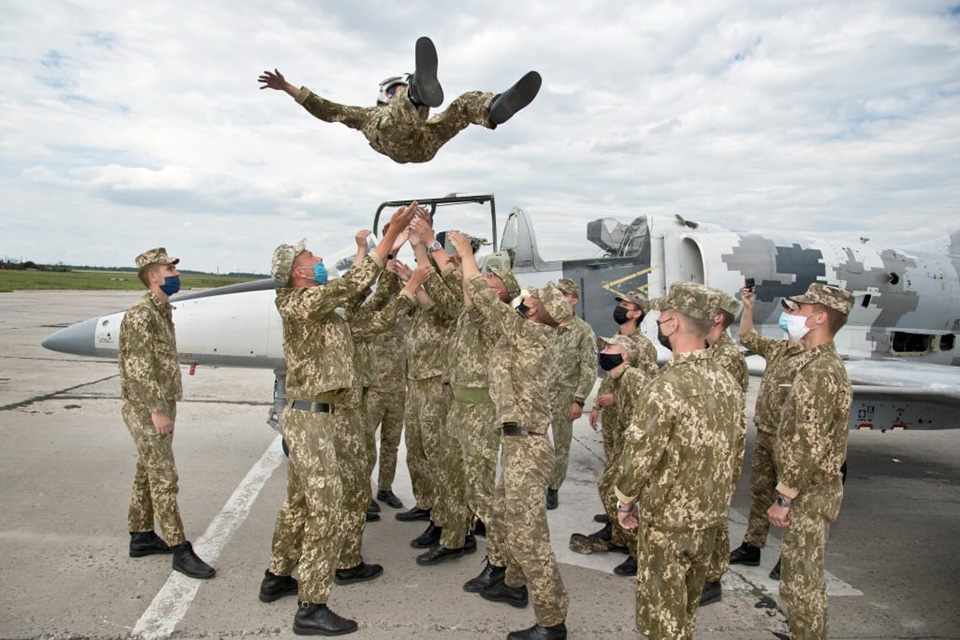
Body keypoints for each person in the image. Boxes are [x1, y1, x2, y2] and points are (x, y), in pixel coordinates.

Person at [259, 203, 415, 636]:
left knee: (301, 502)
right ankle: (312, 605)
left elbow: (362, 300)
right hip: (311, 418)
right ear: (298, 272)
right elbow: (353, 284)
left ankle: (277, 576)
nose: (319, 260)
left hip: (328, 415)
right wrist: (387, 238)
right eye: (311, 258)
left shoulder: (322, 310)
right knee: (325, 509)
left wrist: (387, 249)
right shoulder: (301, 301)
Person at [453, 231, 569, 640]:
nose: (523, 302)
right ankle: (512, 585)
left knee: (530, 537)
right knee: (502, 516)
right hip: (517, 442)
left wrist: (467, 253)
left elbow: (485, 300)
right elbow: (481, 310)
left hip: (528, 445)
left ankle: (552, 623)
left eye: (529, 302)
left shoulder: (532, 335)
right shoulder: (521, 333)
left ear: (536, 313)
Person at [615, 282, 743, 640]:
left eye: (661, 317)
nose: (659, 324)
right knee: (684, 610)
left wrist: (625, 501)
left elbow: (640, 455)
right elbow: (735, 452)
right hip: (709, 518)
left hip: (668, 521)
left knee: (661, 620)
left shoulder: (666, 385)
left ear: (672, 324)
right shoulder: (726, 381)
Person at [414, 216, 521, 582]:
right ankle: (454, 538)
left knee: (481, 491)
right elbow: (453, 289)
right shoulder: (469, 310)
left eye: (492, 280)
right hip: (459, 406)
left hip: (480, 409)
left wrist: (436, 245)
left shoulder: (497, 316)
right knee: (450, 476)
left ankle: (504, 566)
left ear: (503, 292)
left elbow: (466, 284)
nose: (481, 282)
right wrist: (424, 249)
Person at [258, 37, 542, 164]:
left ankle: (492, 110)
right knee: (402, 112)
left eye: (401, 89)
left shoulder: (419, 118)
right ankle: (417, 89)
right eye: (396, 90)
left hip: (423, 145)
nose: (397, 92)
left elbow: (439, 118)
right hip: (393, 141)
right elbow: (327, 110)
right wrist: (288, 88)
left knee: (461, 105)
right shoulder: (369, 114)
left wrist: (487, 108)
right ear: (384, 96)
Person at [118, 248, 215, 580]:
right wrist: (157, 410)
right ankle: (179, 549)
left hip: (158, 403)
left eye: (174, 267)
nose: (175, 272)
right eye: (168, 268)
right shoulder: (141, 314)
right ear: (152, 276)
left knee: (146, 471)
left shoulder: (161, 311)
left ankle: (141, 535)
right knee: (164, 478)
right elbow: (138, 368)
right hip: (148, 408)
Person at [767, 283, 854, 640]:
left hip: (808, 493)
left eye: (799, 309)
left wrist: (785, 495)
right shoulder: (817, 363)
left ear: (819, 317)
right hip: (808, 490)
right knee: (796, 581)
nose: (791, 314)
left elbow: (810, 442)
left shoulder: (821, 372)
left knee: (803, 585)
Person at [728, 288, 805, 581]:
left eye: (793, 310)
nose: (787, 316)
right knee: (760, 493)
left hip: (789, 441)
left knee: (792, 499)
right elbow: (747, 337)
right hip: (765, 434)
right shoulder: (777, 349)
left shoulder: (809, 359)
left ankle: (790, 557)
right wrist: (748, 307)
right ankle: (752, 545)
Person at [570, 334, 654, 577]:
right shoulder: (618, 378)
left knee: (611, 489)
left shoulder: (633, 377)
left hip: (635, 447)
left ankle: (639, 551)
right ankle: (622, 539)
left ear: (625, 355)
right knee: (608, 487)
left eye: (610, 347)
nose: (604, 351)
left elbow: (649, 412)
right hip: (624, 445)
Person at [585, 292, 657, 529]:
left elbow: (649, 386)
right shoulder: (614, 339)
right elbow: (609, 378)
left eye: (626, 306)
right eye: (621, 305)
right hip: (611, 418)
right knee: (612, 467)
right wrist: (597, 405)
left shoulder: (642, 346)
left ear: (637, 313)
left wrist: (615, 398)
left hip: (627, 420)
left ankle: (623, 521)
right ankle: (614, 512)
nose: (621, 309)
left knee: (623, 473)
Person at [699, 290, 749, 606]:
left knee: (716, 513)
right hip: (709, 442)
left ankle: (713, 578)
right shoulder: (711, 350)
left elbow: (720, 409)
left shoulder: (727, 356)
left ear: (717, 317)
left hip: (720, 446)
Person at [545, 278, 597, 510]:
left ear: (574, 300)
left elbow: (588, 367)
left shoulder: (583, 331)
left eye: (564, 295)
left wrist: (579, 399)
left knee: (561, 446)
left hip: (564, 395)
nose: (559, 299)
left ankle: (553, 488)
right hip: (538, 393)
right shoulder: (545, 324)